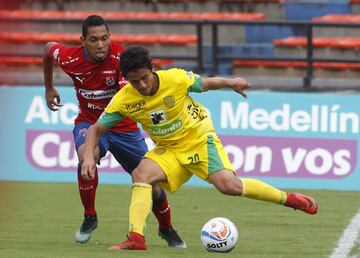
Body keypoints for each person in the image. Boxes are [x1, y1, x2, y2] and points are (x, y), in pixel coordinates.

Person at [81, 45, 318, 250]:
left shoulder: (174, 78)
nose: (142, 85)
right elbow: (95, 130)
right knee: (141, 175)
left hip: (200, 140)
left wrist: (231, 82)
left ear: (152, 68)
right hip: (170, 149)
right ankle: (136, 237)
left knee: (230, 186)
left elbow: (205, 83)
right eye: (135, 81)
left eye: (145, 77)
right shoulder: (124, 99)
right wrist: (90, 157)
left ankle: (289, 199)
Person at [43, 15, 185, 248]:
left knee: (152, 185)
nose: (100, 45)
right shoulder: (69, 58)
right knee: (85, 159)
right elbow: (48, 49)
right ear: (83, 40)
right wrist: (49, 87)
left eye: (104, 38)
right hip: (89, 123)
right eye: (94, 40)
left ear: (110, 37)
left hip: (124, 128)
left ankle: (167, 228)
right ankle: (90, 216)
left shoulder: (121, 60)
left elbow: (124, 98)